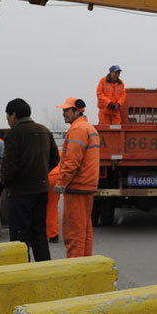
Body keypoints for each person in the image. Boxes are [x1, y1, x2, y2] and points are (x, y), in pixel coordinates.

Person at [0, 98, 60, 262]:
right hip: (41, 191)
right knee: (39, 233)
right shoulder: (44, 131)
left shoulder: (14, 134)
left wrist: (2, 184)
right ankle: (44, 269)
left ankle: (22, 272)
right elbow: (55, 159)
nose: (8, 119)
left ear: (14, 115)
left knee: (20, 237)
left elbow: (9, 167)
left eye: (8, 116)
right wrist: (39, 173)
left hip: (19, 194)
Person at [53, 97, 100, 257]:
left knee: (74, 232)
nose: (63, 113)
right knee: (84, 230)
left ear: (77, 111)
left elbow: (72, 161)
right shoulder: (88, 128)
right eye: (63, 110)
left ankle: (75, 267)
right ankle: (86, 265)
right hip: (86, 187)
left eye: (67, 110)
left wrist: (61, 183)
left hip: (77, 187)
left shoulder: (78, 129)